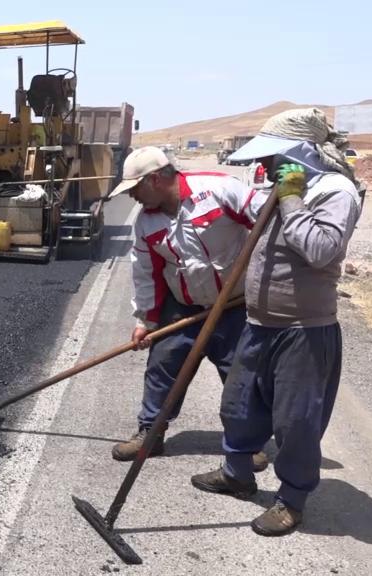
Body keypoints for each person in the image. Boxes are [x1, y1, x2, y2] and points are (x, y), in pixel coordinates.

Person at [191, 108, 362, 537]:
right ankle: (236, 473)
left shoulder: (335, 190)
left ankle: (291, 499)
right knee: (239, 404)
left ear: (302, 151)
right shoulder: (284, 185)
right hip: (258, 322)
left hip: (304, 329)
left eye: (272, 157)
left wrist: (291, 198)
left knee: (296, 421)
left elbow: (320, 249)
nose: (262, 165)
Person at [107, 146, 267, 473]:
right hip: (183, 309)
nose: (133, 197)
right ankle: (151, 434)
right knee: (162, 368)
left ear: (154, 180)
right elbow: (146, 273)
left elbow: (267, 221)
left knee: (242, 378)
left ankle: (248, 445)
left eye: (135, 189)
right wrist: (147, 322)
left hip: (233, 307)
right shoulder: (147, 223)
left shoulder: (218, 189)